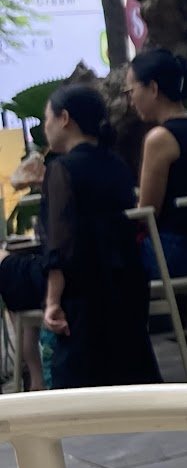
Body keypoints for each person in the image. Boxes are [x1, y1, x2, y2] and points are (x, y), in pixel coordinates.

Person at [0, 86, 157, 389]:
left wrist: (53, 301)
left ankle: (33, 374)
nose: (45, 128)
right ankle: (34, 371)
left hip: (74, 281)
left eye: (48, 120)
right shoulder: (116, 165)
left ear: (64, 119)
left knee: (5, 266)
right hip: (120, 276)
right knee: (18, 274)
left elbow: (61, 247)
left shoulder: (62, 169)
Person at [127, 48, 187, 277]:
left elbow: (147, 213)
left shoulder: (159, 138)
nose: (130, 100)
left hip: (171, 254)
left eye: (131, 90)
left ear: (152, 88)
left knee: (90, 262)